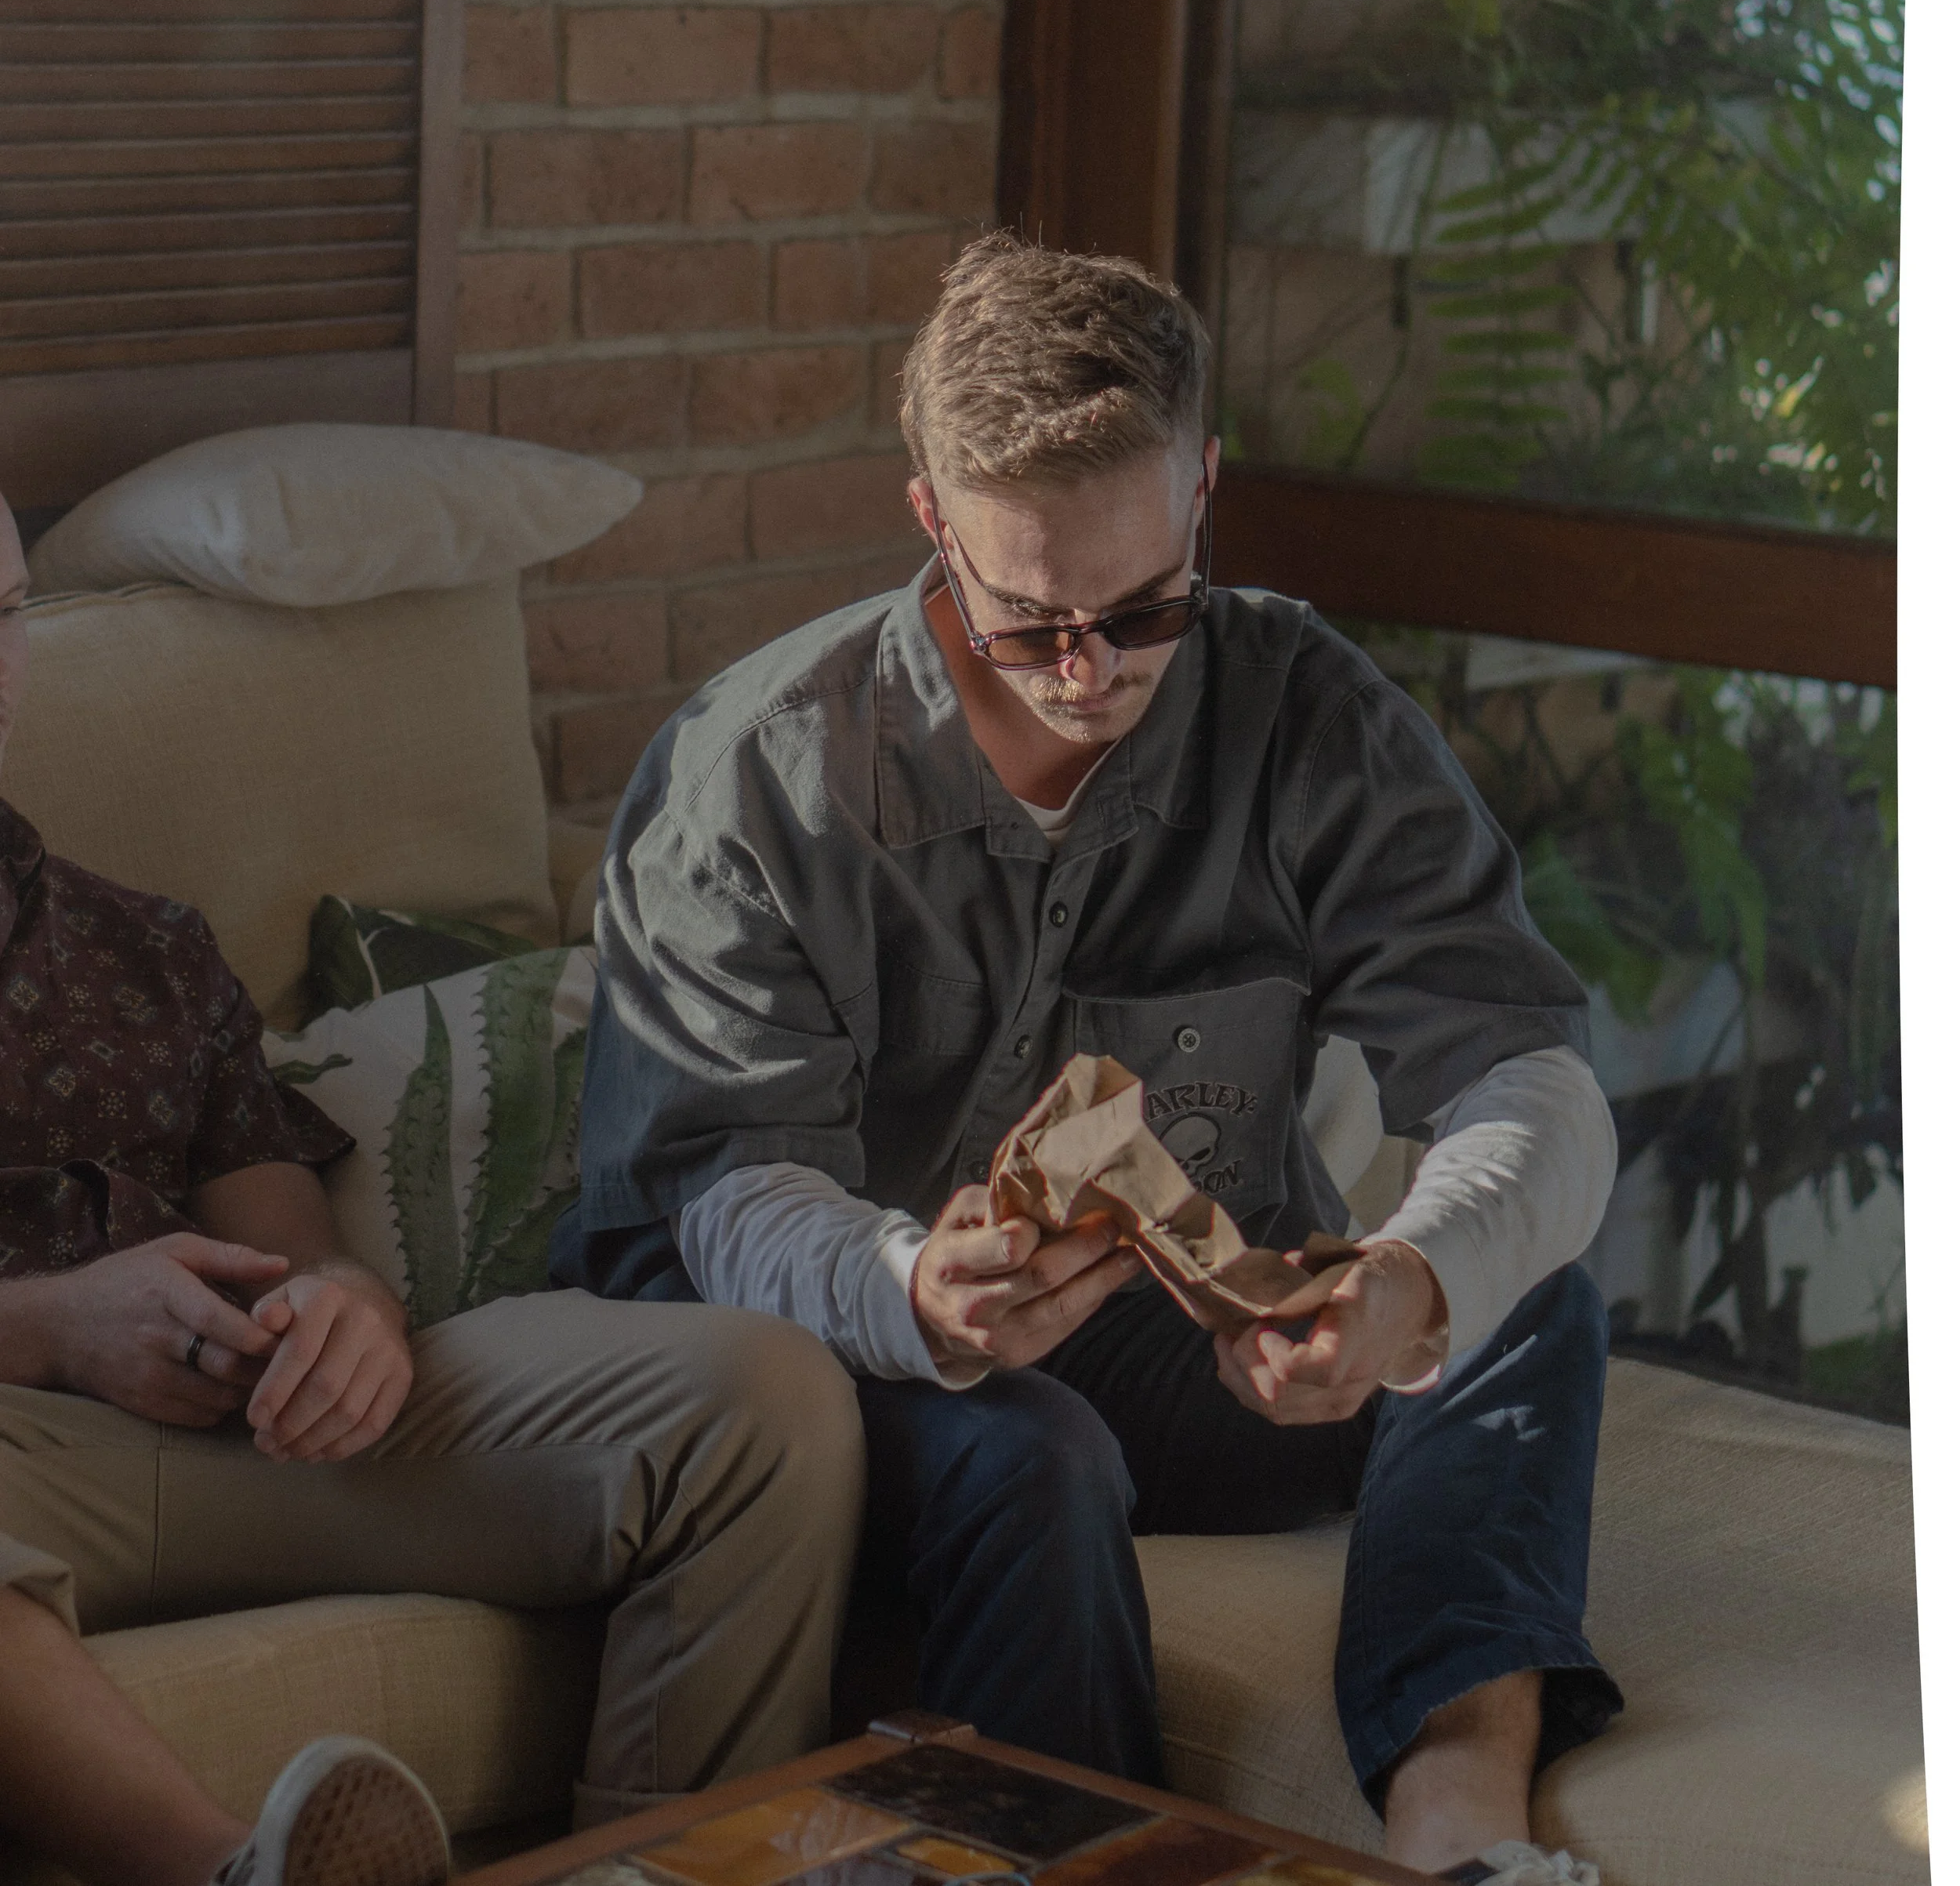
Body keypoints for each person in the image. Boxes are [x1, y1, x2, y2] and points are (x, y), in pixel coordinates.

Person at [557, 234, 1624, 1886]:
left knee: (1514, 1295)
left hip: (1144, 1333)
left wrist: (1409, 1279)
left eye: (1139, 611)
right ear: (930, 517)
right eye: (1027, 619)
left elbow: (1530, 1084)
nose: (1087, 672)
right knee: (1034, 1452)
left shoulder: (1306, 716)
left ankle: (1458, 1826)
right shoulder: (759, 778)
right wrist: (912, 1285)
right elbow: (715, 1195)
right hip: (789, 1339)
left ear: (1199, 487)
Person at [0, 492, 865, 1886]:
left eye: (2, 615)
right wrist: (56, 1323)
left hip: (244, 1431)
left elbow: (292, 1246)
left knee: (766, 1400)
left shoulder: (144, 947)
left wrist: (347, 1316)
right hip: (24, 1455)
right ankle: (238, 1875)